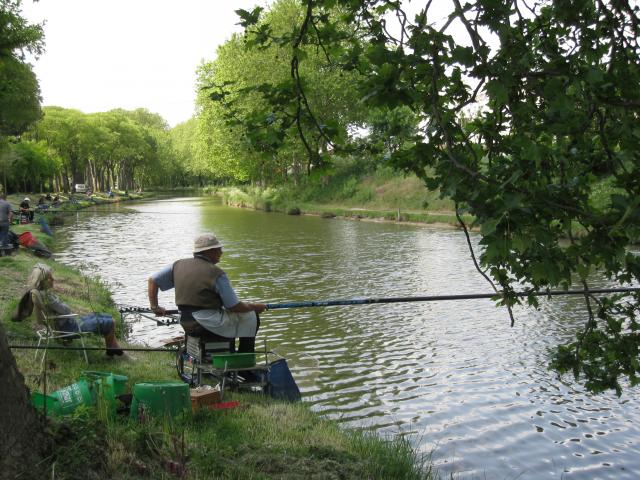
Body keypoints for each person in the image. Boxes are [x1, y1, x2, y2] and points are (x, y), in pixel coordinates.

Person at [147, 232, 266, 353]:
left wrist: (155, 307)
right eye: (218, 249)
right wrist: (256, 306)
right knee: (251, 315)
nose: (221, 253)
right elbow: (234, 306)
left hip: (185, 321)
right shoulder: (217, 273)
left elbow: (153, 280)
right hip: (205, 324)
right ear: (209, 251)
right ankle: (245, 358)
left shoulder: (177, 265)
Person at [13, 264, 129, 359]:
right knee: (111, 321)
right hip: (69, 327)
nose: (53, 279)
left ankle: (115, 351)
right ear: (43, 281)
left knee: (105, 316)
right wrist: (60, 302)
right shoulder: (48, 297)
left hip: (66, 323)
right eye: (50, 278)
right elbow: (66, 310)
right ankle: (114, 353)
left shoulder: (41, 293)